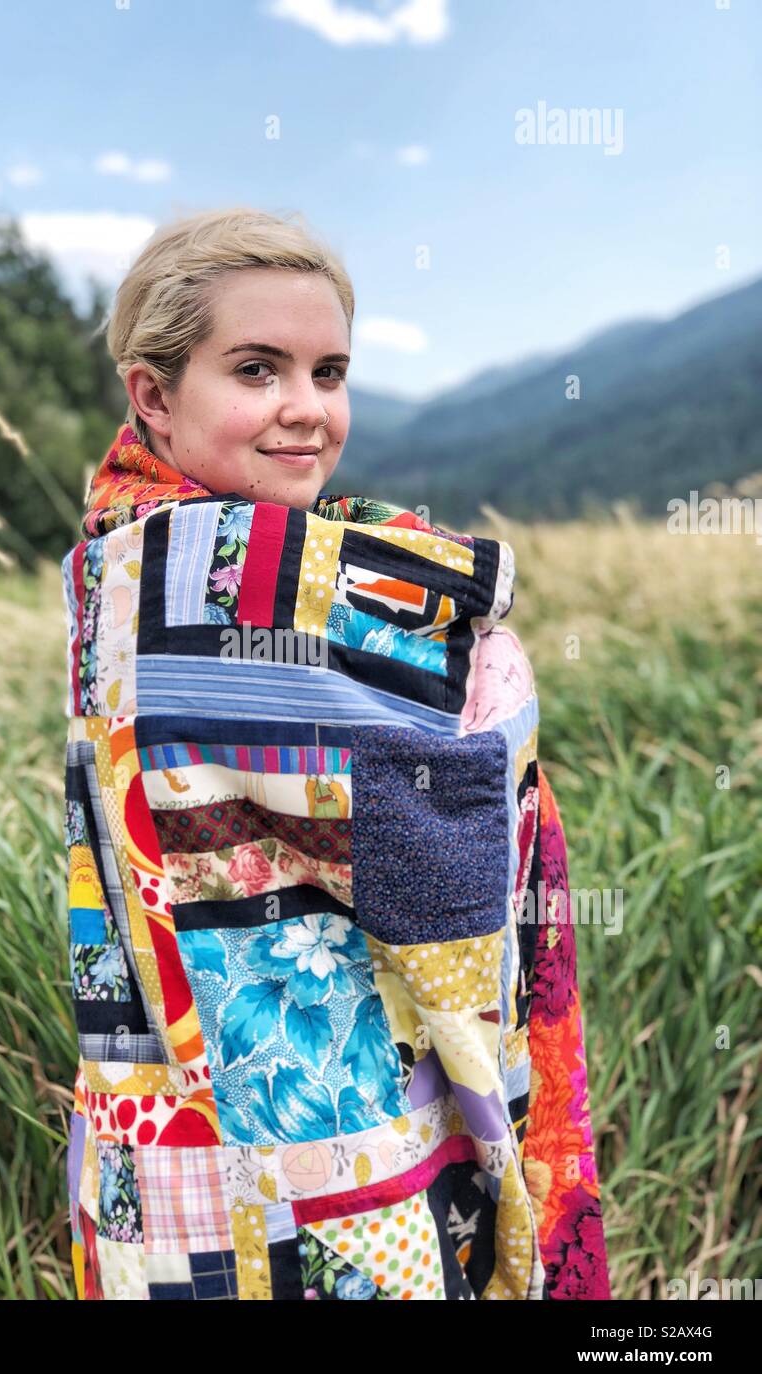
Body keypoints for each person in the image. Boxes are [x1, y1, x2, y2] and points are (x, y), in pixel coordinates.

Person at [62, 207, 611, 1300]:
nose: (306, 408)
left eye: (329, 371)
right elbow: (455, 766)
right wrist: (485, 661)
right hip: (321, 1138)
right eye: (256, 369)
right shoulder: (182, 573)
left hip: (159, 1136)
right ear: (154, 395)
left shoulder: (113, 557)